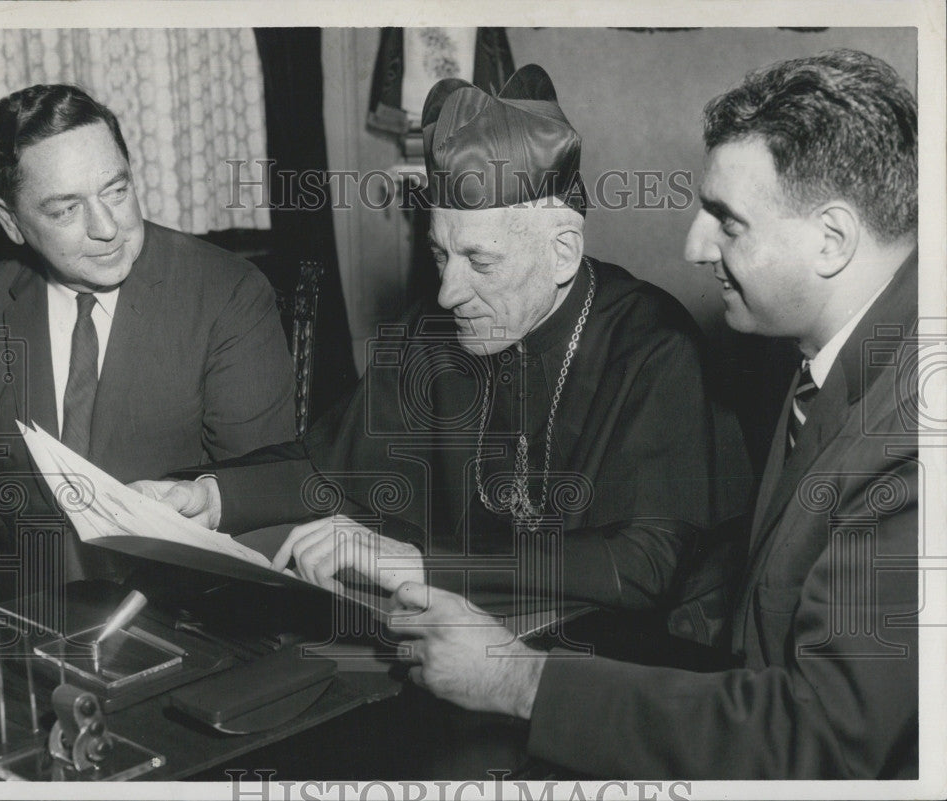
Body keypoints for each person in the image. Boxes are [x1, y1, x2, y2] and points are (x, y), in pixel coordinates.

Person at [386, 49, 921, 779]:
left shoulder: (912, 437)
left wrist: (517, 678)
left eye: (727, 221)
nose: (693, 245)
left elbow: (824, 737)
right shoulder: (851, 356)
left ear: (831, 240)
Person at [136, 65, 751, 650]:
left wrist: (418, 563)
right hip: (463, 632)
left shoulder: (653, 346)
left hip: (615, 659)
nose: (450, 292)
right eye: (439, 256)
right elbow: (334, 467)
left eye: (480, 261)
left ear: (563, 251)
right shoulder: (436, 329)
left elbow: (644, 567)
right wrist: (212, 497)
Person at [0, 84, 296, 602]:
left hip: (187, 611)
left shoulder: (226, 293)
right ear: (9, 219)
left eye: (116, 191)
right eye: (65, 210)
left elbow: (267, 491)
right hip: (26, 616)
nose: (108, 228)